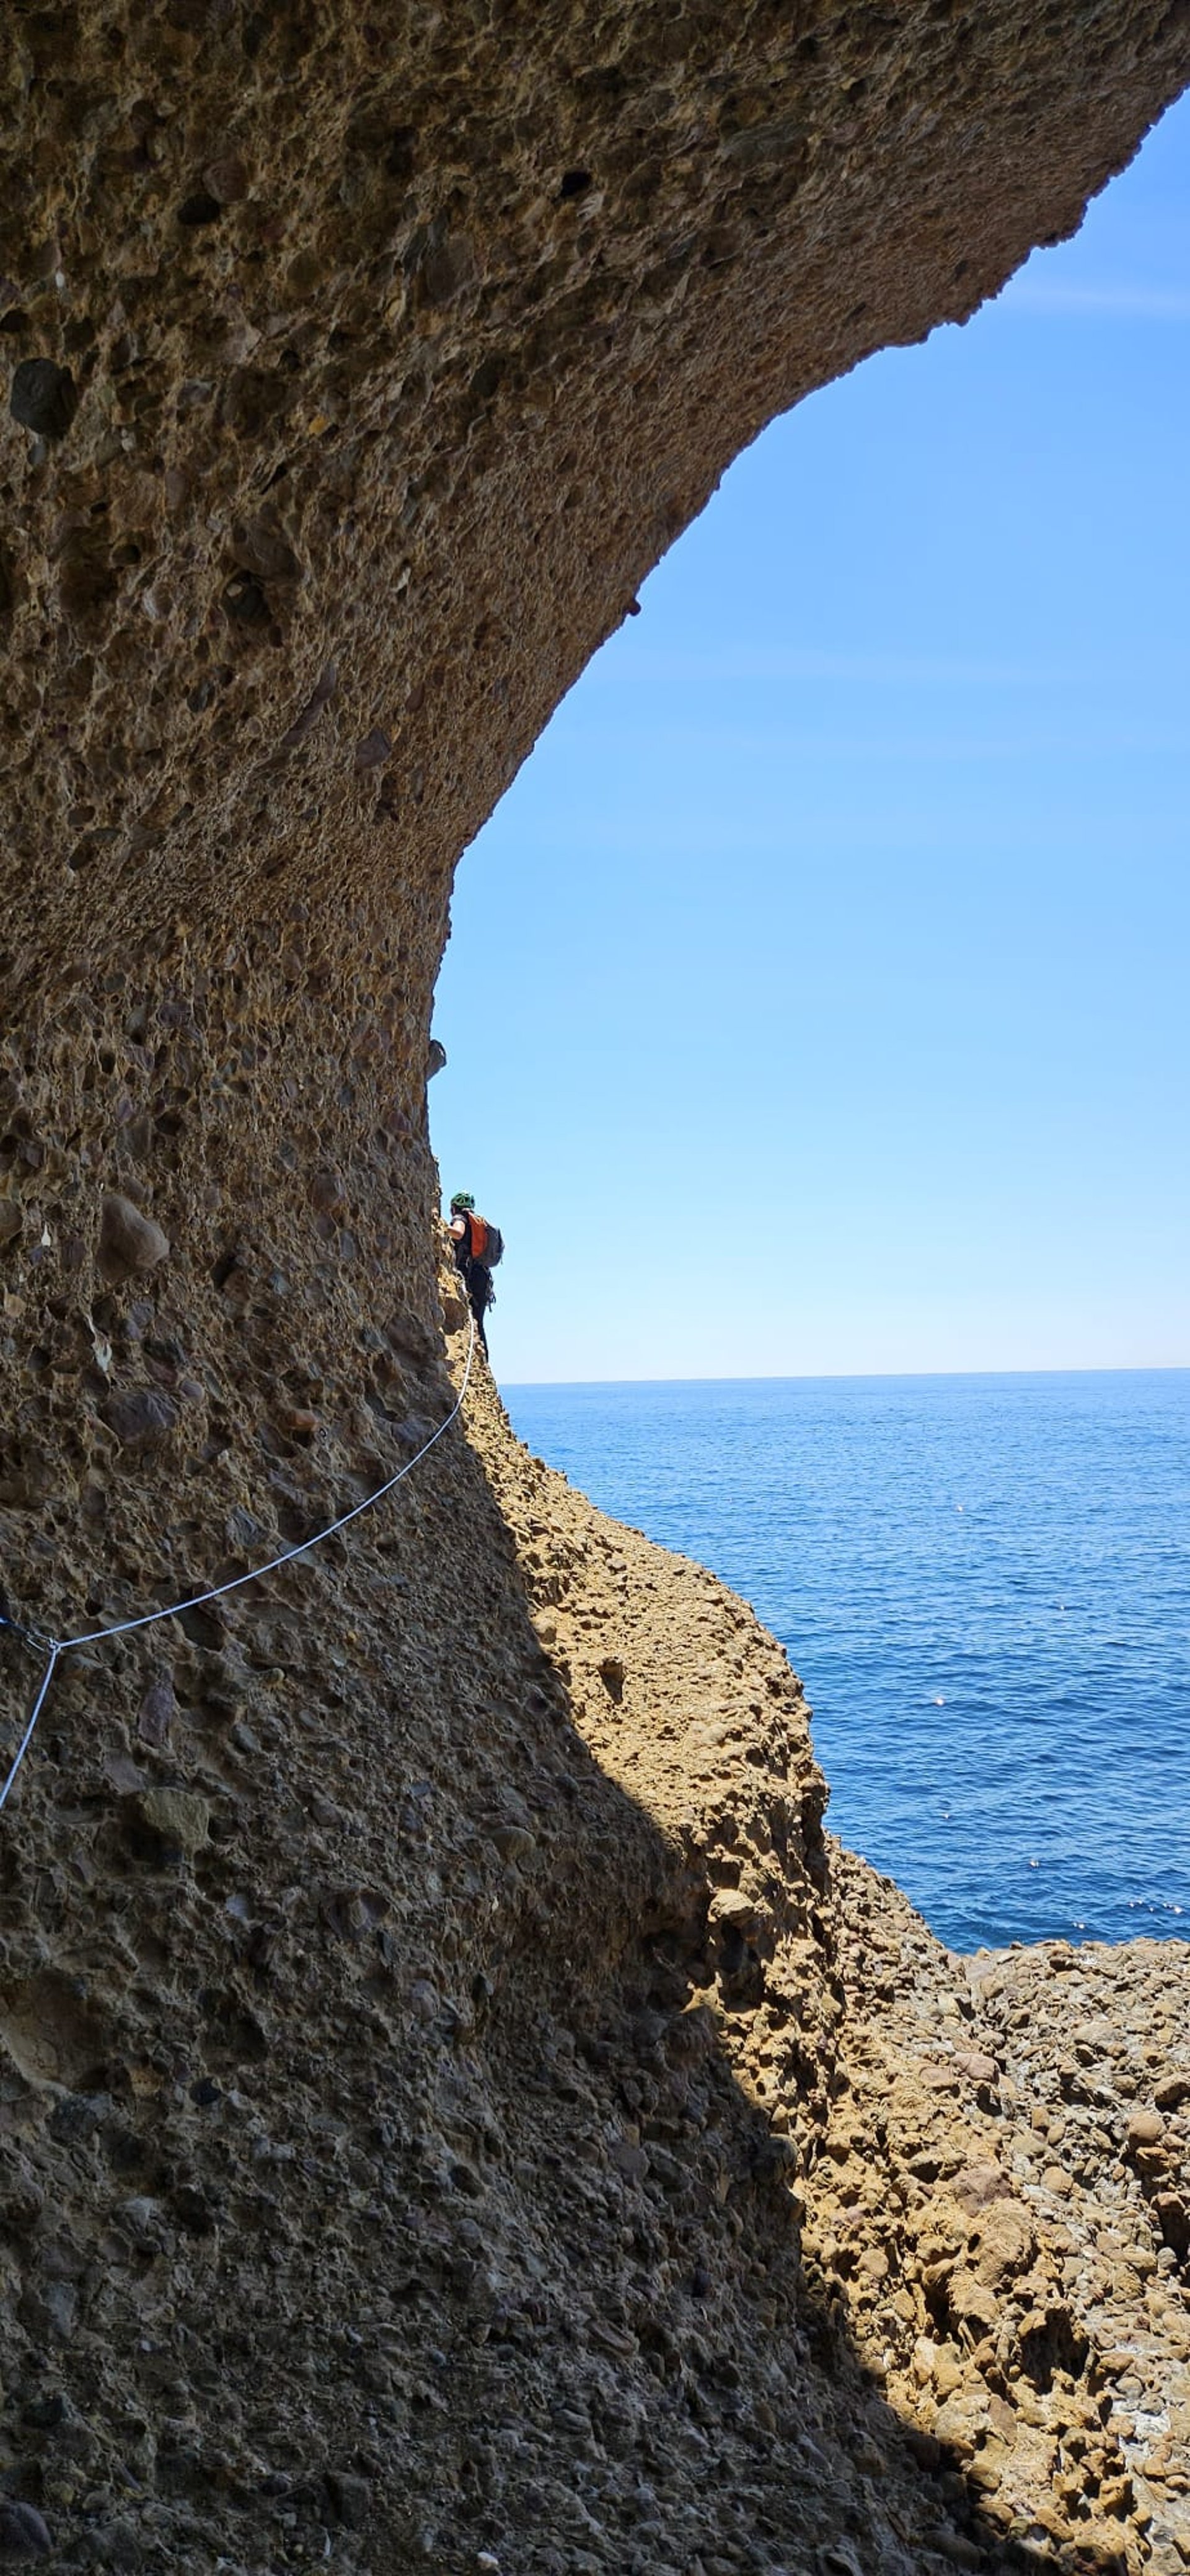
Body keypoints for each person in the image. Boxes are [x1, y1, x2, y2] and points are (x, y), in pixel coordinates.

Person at [448, 1192, 501, 1356]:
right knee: (478, 1322)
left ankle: (474, 1357)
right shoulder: (480, 1224)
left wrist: (440, 1226)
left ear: (453, 1208)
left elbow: (458, 1233)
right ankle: (483, 1360)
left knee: (470, 1321)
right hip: (483, 1278)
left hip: (468, 1275)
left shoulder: (461, 1218)